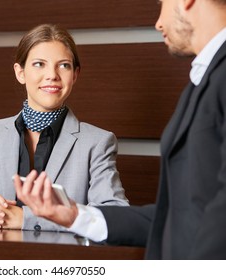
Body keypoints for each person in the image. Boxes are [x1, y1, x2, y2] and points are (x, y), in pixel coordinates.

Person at [14, 0, 226, 259]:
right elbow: (177, 219)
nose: (159, 22)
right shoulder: (201, 82)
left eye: (162, 3)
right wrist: (74, 215)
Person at [0, 24, 128, 231]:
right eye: (39, 64)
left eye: (64, 65)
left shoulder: (97, 142)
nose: (52, 75)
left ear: (75, 75)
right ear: (20, 72)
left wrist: (25, 218)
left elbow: (115, 215)